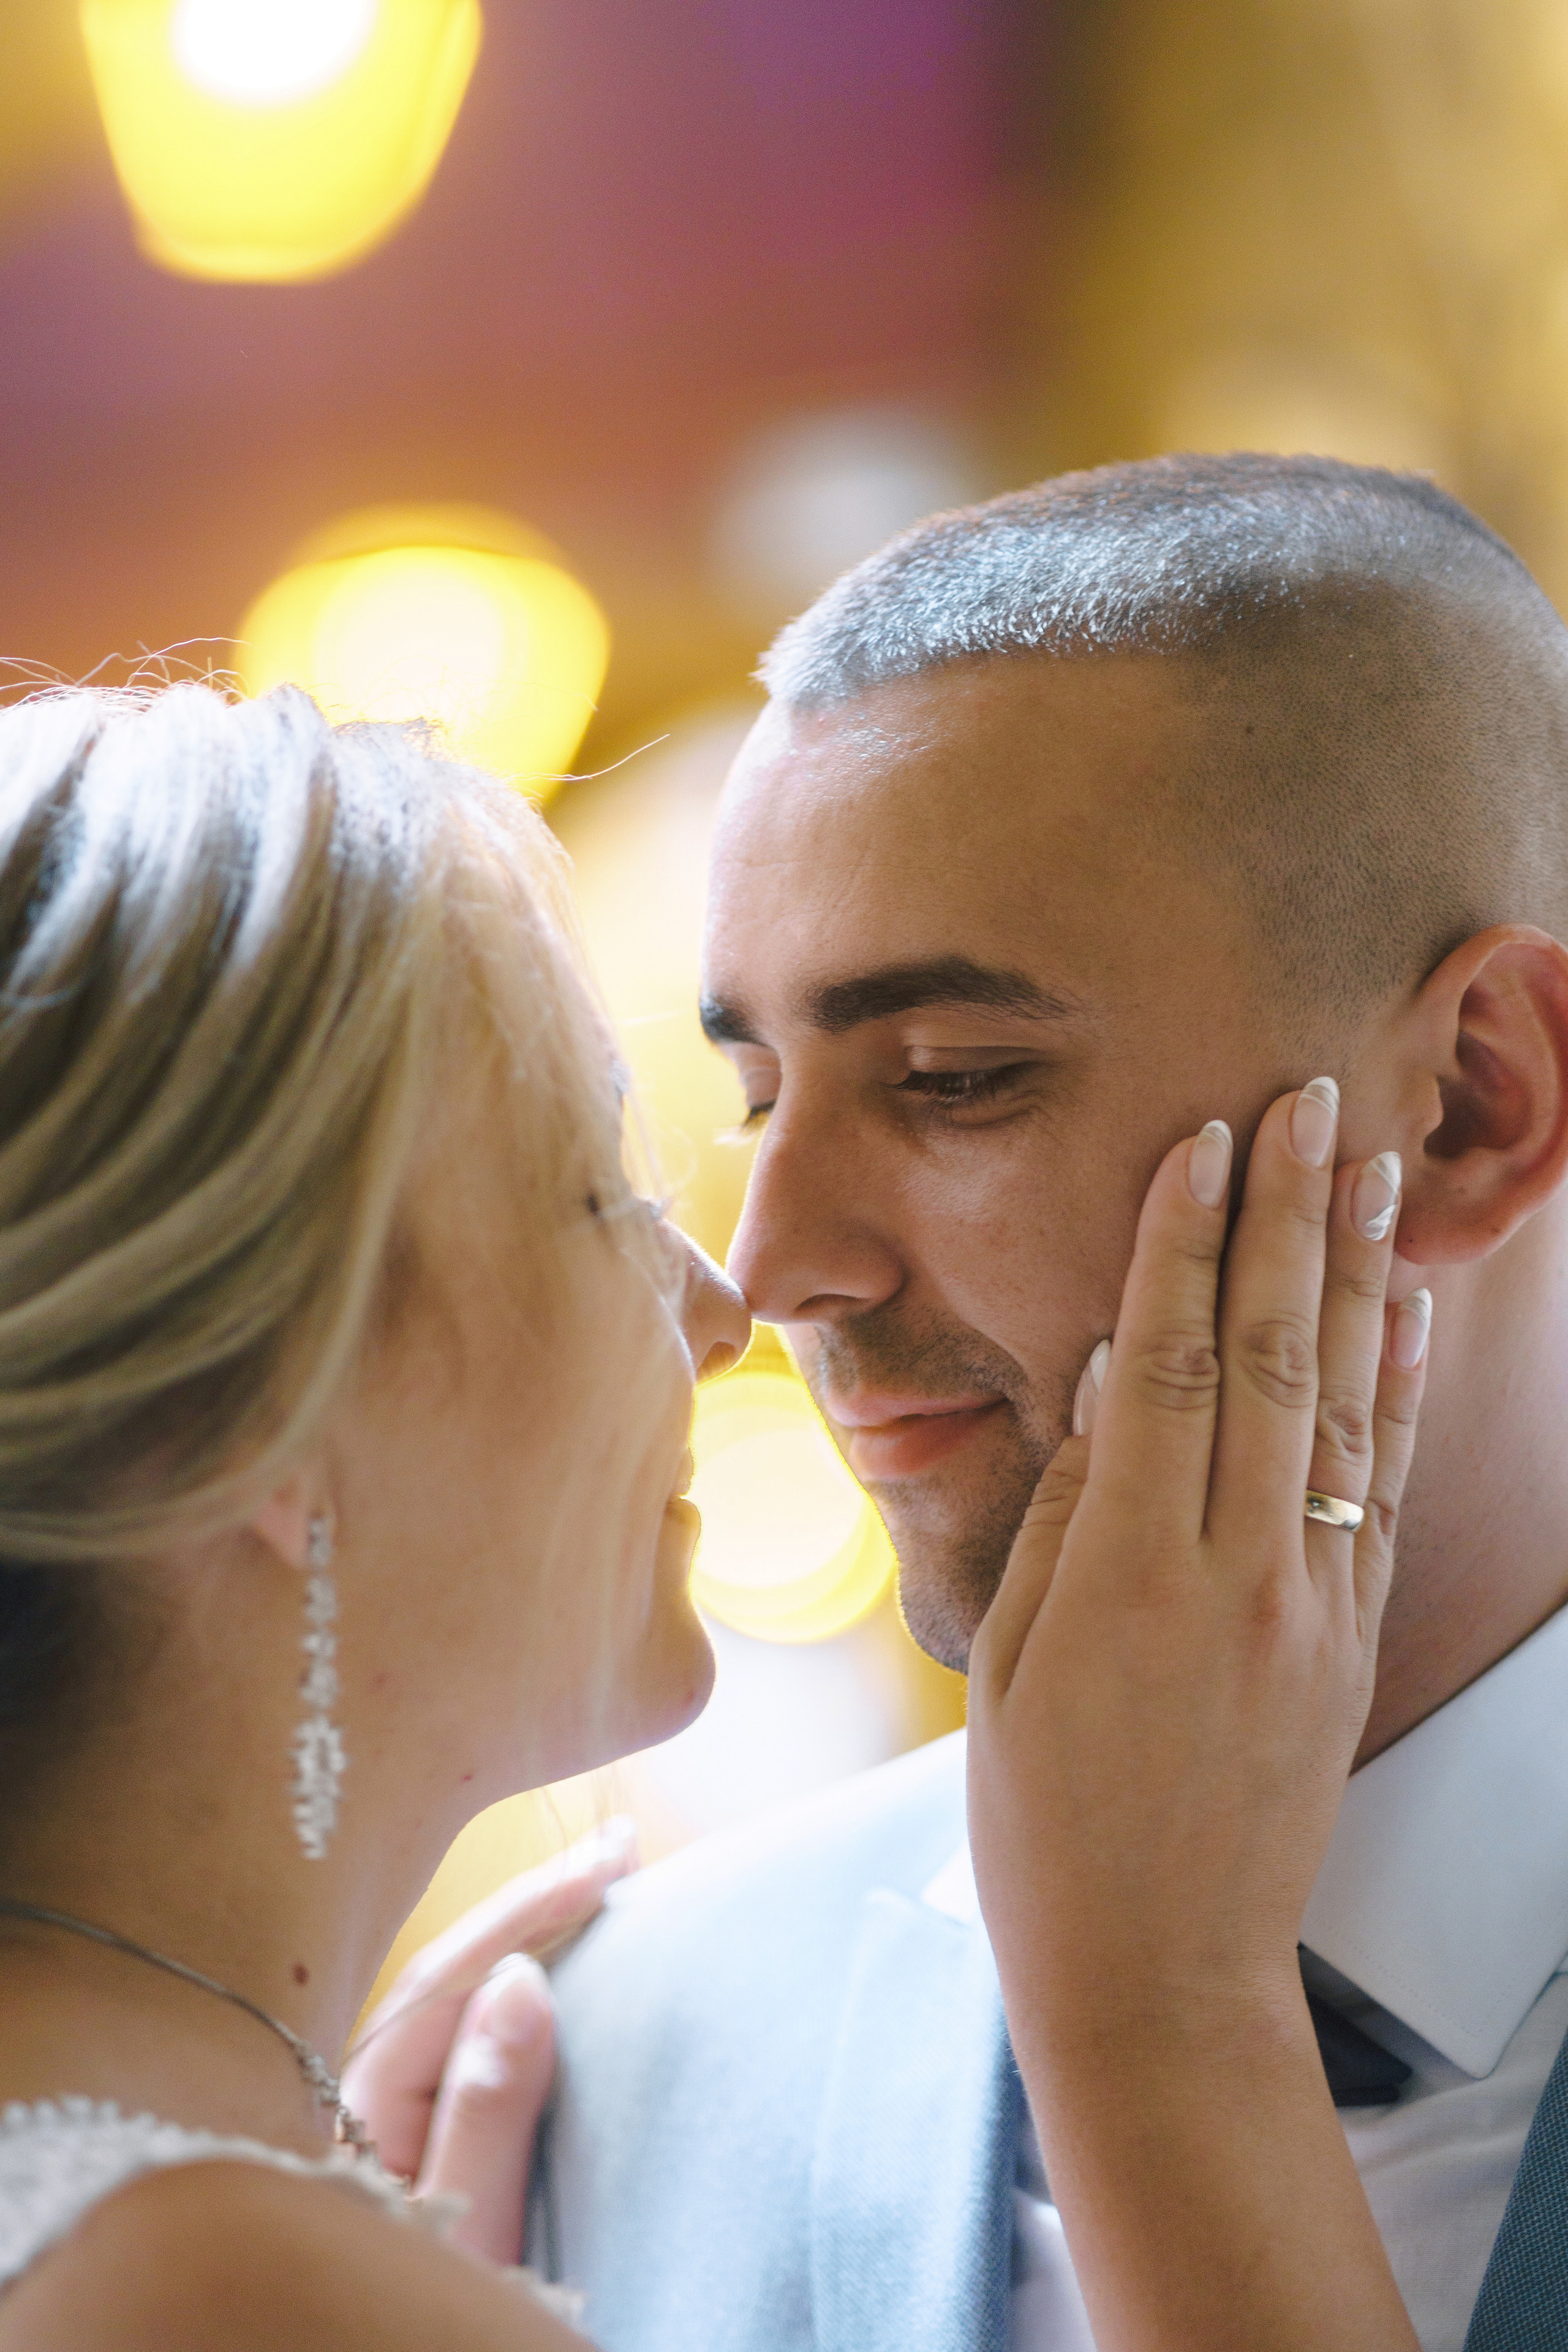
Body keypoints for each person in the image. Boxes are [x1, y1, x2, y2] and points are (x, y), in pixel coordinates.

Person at [360, 454, 1568, 2352]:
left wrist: (1163, 2020)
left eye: (953, 1077)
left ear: (1477, 1104)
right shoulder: (617, 2064)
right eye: (762, 1096)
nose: (769, 1272)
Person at [0, 680, 752, 2345]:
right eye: (598, 1196)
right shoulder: (211, 2284)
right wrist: (1161, 2024)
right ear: (257, 1396)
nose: (718, 1307)